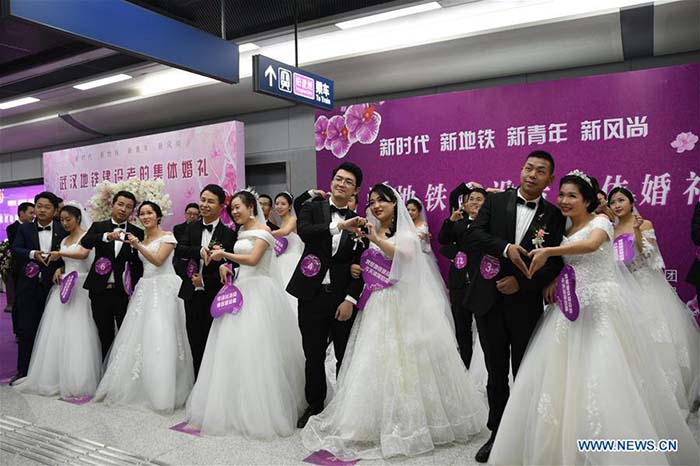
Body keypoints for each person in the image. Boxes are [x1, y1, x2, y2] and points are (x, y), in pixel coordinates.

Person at [489, 171, 700, 465]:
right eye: (561, 194)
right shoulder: (561, 226)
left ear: (588, 200)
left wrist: (550, 251)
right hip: (572, 306)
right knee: (563, 379)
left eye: (572, 195)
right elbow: (569, 261)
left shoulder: (601, 222)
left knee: (606, 373)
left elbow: (589, 247)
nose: (564, 200)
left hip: (602, 306)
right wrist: (554, 276)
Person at [301, 184, 486, 460]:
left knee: (409, 361)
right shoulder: (368, 234)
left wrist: (375, 239)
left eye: (383, 202)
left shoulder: (405, 232)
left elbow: (405, 256)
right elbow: (365, 264)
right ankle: (373, 421)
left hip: (403, 303)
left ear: (394, 205)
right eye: (373, 202)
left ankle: (414, 422)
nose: (376, 206)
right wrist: (358, 266)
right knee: (377, 362)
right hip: (376, 303)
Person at [463, 150, 566, 463]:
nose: (532, 175)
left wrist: (523, 283)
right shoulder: (494, 202)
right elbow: (476, 237)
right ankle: (496, 434)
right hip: (488, 299)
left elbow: (556, 262)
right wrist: (507, 249)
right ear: (521, 170)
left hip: (525, 303)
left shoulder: (554, 215)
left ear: (550, 179)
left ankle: (524, 431)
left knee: (524, 370)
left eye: (540, 171)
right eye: (528, 168)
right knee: (495, 372)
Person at [184, 191, 304, 438]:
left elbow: (252, 259)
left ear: (251, 207)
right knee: (232, 349)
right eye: (233, 209)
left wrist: (224, 256)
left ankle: (261, 410)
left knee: (258, 350)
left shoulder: (263, 232)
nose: (235, 212)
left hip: (259, 293)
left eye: (239, 207)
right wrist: (228, 268)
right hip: (240, 289)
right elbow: (241, 264)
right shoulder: (241, 232)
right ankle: (231, 406)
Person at [287, 162, 367, 428]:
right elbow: (306, 232)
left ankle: (345, 407)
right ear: (331, 181)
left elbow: (361, 265)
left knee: (346, 354)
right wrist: (339, 226)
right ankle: (315, 403)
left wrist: (350, 299)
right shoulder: (312, 207)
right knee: (313, 353)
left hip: (340, 298)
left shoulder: (361, 224)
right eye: (338, 179)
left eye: (348, 182)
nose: (341, 184)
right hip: (310, 294)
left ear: (355, 190)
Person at [95, 201, 194, 413]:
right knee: (139, 336)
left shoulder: (168, 237)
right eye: (142, 214)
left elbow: (158, 261)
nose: (146, 216)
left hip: (164, 289)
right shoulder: (144, 238)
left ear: (158, 216)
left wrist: (138, 245)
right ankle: (139, 386)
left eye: (150, 213)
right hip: (145, 288)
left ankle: (165, 391)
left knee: (162, 335)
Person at [609, 187, 699, 409]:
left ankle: (668, 395)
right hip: (625, 287)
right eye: (613, 202)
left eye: (621, 200)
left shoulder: (645, 224)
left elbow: (650, 256)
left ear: (631, 202)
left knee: (655, 336)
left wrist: (638, 232)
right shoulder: (611, 229)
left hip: (646, 284)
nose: (617, 205)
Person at [14, 203, 101, 398]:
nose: (65, 223)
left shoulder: (86, 235)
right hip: (64, 285)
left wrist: (59, 255)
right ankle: (54, 376)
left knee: (79, 330)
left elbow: (83, 254)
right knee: (57, 331)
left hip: (81, 285)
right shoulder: (64, 238)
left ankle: (78, 379)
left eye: (68, 219)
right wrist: (59, 268)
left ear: (78, 218)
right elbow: (66, 261)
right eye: (61, 220)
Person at [175, 185, 236, 378]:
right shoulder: (189, 228)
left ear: (221, 206)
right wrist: (199, 251)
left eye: (210, 201)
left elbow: (230, 267)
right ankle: (197, 385)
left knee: (215, 342)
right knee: (195, 341)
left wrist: (205, 281)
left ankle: (214, 384)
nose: (204, 205)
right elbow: (180, 251)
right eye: (202, 200)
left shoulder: (228, 234)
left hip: (214, 294)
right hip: (191, 293)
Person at [10, 192, 68, 384]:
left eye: (47, 207)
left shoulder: (63, 228)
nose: (42, 210)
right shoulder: (24, 229)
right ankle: (23, 370)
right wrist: (33, 254)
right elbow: (16, 249)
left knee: (53, 330)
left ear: (55, 210)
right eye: (39, 206)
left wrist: (61, 267)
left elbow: (70, 254)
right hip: (29, 286)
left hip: (54, 287)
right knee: (27, 328)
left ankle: (51, 372)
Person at [81, 191, 144, 359]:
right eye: (120, 204)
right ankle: (104, 370)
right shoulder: (99, 227)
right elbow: (85, 242)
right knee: (103, 332)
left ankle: (120, 371)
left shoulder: (137, 232)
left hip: (123, 292)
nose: (123, 209)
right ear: (112, 205)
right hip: (99, 289)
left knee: (126, 332)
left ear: (132, 211)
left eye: (128, 207)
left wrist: (135, 288)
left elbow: (139, 265)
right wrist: (107, 236)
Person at [438, 185, 487, 368]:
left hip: (481, 283)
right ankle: (465, 365)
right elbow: (443, 240)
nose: (474, 202)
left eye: (479, 199)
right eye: (471, 199)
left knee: (484, 328)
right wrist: (451, 220)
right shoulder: (457, 223)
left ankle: (481, 369)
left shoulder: (489, 225)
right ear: (464, 205)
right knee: (462, 327)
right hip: (459, 283)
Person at [271, 192, 305, 312]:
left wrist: (267, 234)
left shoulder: (293, 219)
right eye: (277, 204)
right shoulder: (280, 223)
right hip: (280, 261)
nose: (279, 206)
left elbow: (285, 232)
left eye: (283, 204)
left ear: (290, 206)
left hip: (293, 261)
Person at [5, 202, 34, 320]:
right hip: (19, 268)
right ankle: (18, 330)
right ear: (21, 213)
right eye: (31, 213)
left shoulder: (34, 227)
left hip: (33, 268)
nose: (33, 216)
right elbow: (17, 248)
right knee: (18, 301)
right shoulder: (12, 228)